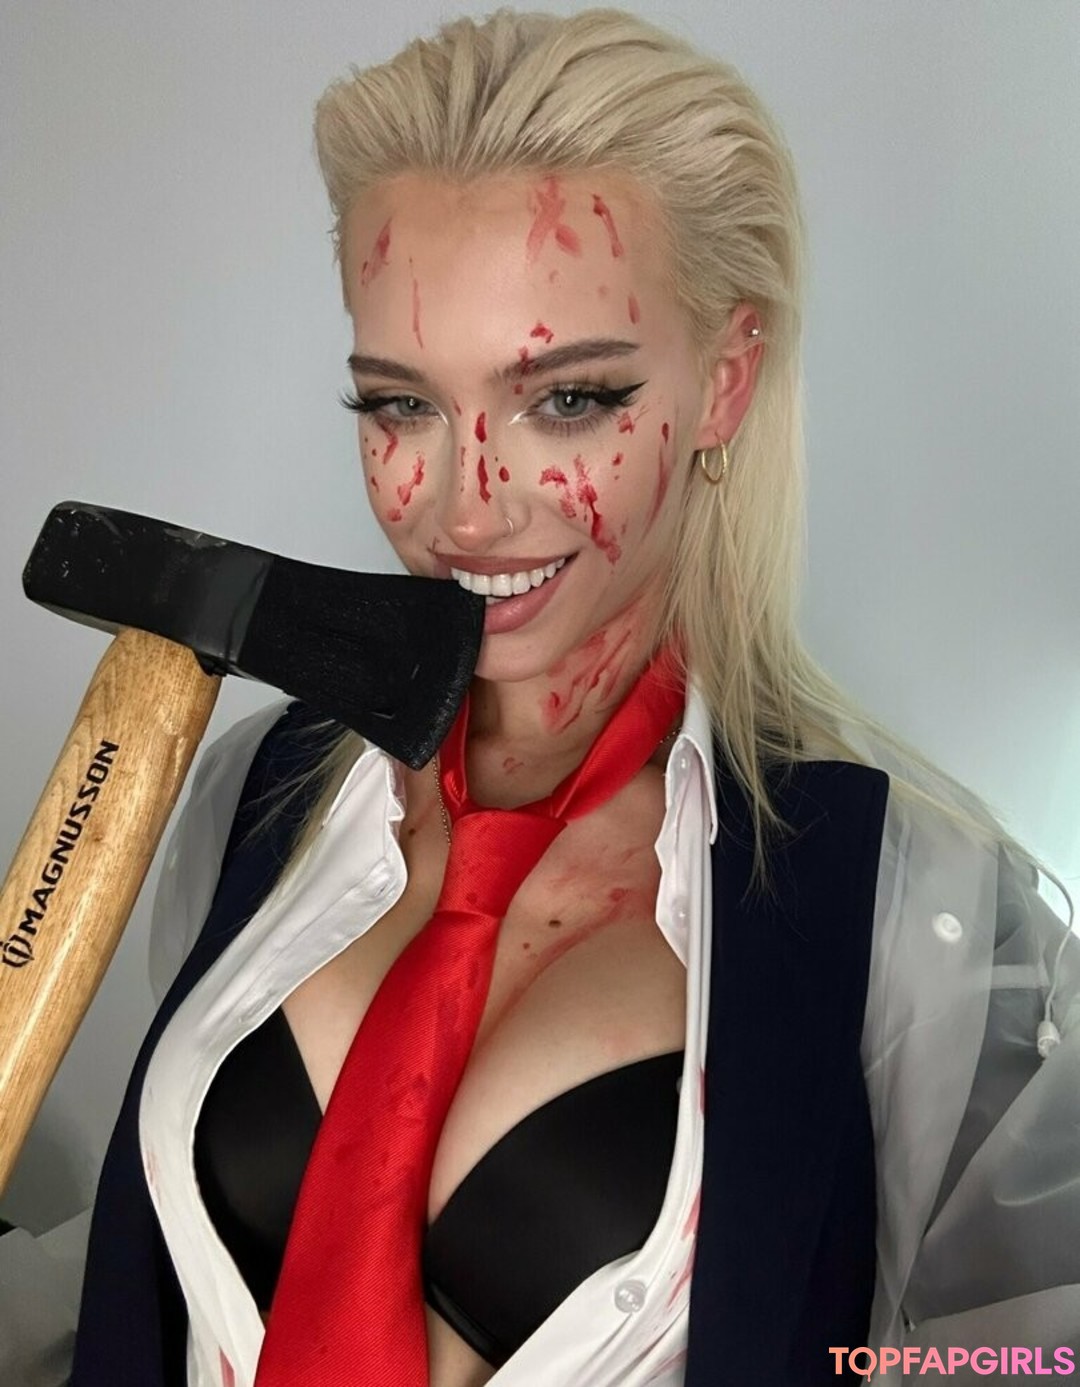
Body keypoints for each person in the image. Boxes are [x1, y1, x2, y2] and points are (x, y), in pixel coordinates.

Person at [6, 8, 1078, 1386]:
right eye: (399, 406)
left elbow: (1026, 1357)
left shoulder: (909, 915)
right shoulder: (255, 800)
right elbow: (135, 1284)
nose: (467, 509)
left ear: (726, 382)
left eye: (567, 401)